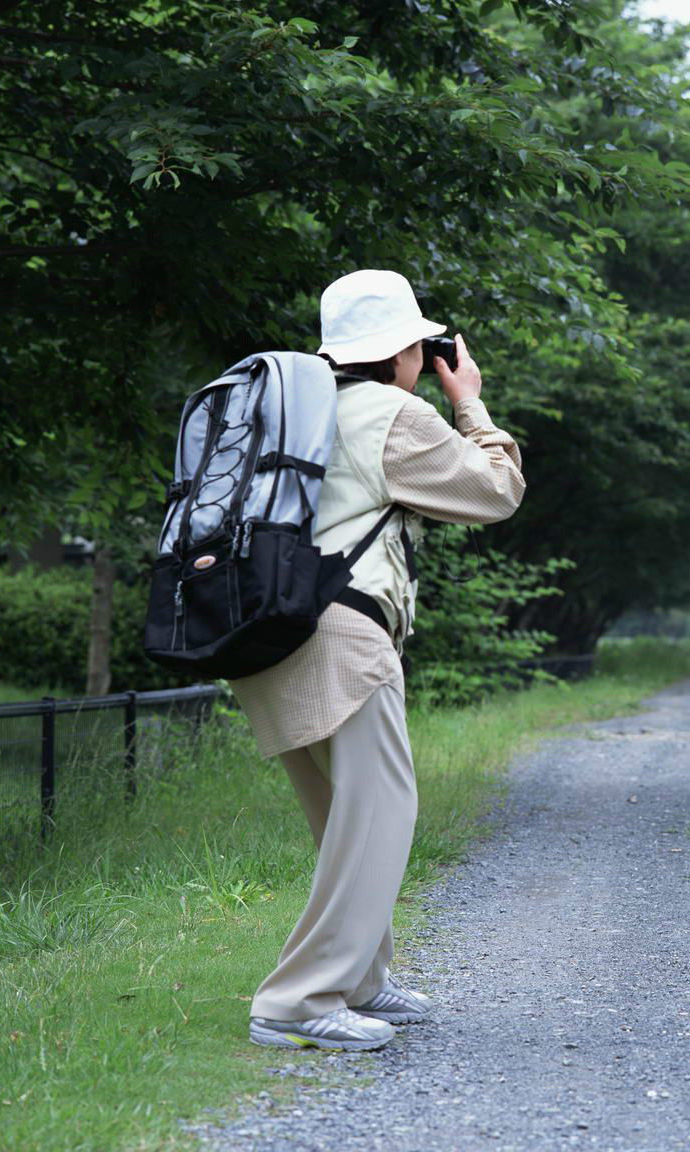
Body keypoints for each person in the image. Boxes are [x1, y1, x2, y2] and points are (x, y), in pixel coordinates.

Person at [228, 269, 525, 1049]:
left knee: (342, 819)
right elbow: (496, 491)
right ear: (403, 349)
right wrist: (469, 402)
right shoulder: (397, 414)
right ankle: (299, 1000)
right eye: (423, 350)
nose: (425, 362)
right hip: (344, 634)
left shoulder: (290, 409)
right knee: (383, 813)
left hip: (265, 632)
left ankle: (358, 978)